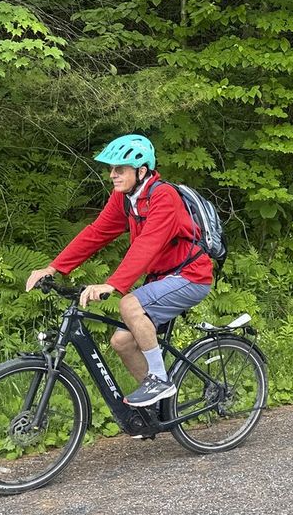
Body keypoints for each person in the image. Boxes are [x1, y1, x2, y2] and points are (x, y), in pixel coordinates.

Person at [25, 134, 213, 407]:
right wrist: (54, 267)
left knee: (129, 304)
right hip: (162, 277)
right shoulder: (124, 197)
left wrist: (112, 285)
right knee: (122, 342)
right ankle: (158, 411)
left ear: (142, 170)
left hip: (191, 275)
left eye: (119, 169)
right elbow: (96, 233)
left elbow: (148, 244)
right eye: (111, 169)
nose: (112, 175)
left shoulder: (164, 196)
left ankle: (160, 380)